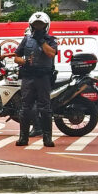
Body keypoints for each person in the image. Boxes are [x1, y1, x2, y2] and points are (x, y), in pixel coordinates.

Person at [12, 12, 59, 147]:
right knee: (25, 108)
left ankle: (47, 138)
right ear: (31, 26)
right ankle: (23, 138)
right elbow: (16, 57)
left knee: (45, 108)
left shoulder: (51, 40)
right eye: (36, 25)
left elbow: (51, 53)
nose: (38, 28)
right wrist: (24, 61)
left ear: (46, 26)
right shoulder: (26, 39)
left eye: (41, 25)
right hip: (28, 77)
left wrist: (41, 40)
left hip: (43, 77)